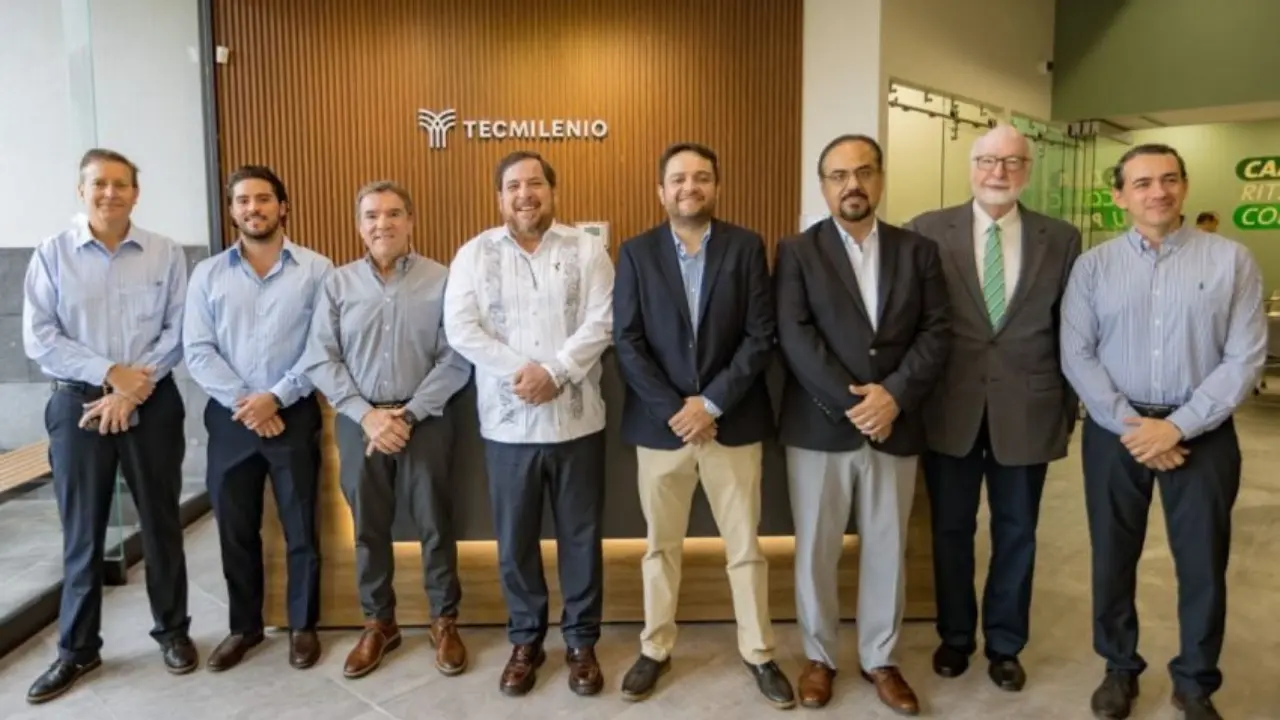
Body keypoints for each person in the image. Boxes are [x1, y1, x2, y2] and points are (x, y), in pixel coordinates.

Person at [1061, 144, 1266, 720]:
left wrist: (1176, 427)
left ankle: (1195, 682)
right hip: (1116, 433)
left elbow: (1245, 358)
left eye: (1170, 179)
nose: (1159, 192)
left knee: (1203, 563)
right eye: (1143, 182)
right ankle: (1119, 668)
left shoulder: (1231, 261)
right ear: (1120, 196)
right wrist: (1137, 429)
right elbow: (1077, 354)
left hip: (1203, 432)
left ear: (1185, 186)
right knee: (1112, 555)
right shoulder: (1093, 267)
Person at [612, 143, 792, 708]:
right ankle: (655, 648)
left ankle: (759, 652)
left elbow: (760, 335)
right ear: (661, 191)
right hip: (660, 427)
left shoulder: (745, 246)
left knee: (745, 547)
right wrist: (677, 409)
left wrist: (709, 404)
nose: (689, 187)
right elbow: (627, 341)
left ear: (716, 186)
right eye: (678, 179)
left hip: (731, 422)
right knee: (659, 548)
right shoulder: (636, 253)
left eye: (701, 177)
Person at [774, 134, 949, 715]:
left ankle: (880, 658)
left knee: (887, 548)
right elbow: (796, 336)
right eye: (839, 175)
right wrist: (855, 404)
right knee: (816, 550)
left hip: (895, 424)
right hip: (821, 425)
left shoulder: (918, 251)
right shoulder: (797, 252)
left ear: (880, 179)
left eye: (864, 172)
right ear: (823, 185)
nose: (853, 184)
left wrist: (893, 396)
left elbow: (936, 331)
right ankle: (819, 657)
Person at [905, 124, 1081, 691]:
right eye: (987, 160)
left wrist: (1067, 409)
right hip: (949, 409)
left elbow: (1071, 330)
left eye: (1011, 162)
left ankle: (1006, 644)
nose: (998, 172)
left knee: (1017, 533)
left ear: (1028, 169)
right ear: (971, 167)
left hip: (1028, 410)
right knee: (951, 531)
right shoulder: (927, 230)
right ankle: (956, 636)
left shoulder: (1061, 238)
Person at [22, 148, 197, 703]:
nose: (110, 193)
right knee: (82, 532)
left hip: (152, 402)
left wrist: (131, 388)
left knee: (162, 525)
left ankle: (173, 632)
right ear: (82, 191)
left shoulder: (165, 253)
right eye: (99, 183)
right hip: (77, 406)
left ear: (135, 194)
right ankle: (77, 649)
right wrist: (109, 374)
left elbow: (179, 329)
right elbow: (40, 337)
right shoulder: (52, 254)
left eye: (121, 184)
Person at [443, 151, 613, 698]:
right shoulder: (473, 254)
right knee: (515, 541)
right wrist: (526, 372)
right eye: (513, 186)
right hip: (508, 428)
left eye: (534, 183)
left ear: (552, 191)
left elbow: (603, 321)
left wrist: (555, 373)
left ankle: (582, 642)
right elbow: (461, 329)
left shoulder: (588, 249)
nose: (525, 194)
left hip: (577, 423)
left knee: (581, 539)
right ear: (499, 197)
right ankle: (526, 641)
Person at [302, 180, 473, 680]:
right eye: (372, 216)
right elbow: (320, 357)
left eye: (394, 213)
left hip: (427, 420)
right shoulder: (337, 284)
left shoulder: (442, 279)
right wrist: (368, 415)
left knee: (435, 524)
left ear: (410, 221)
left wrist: (409, 414)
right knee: (368, 528)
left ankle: (444, 620)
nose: (383, 224)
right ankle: (380, 622)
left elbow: (456, 358)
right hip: (361, 424)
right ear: (359, 226)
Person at [183, 165, 332, 671]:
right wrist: (249, 403)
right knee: (235, 528)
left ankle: (303, 625)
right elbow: (198, 350)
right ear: (232, 210)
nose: (254, 208)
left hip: (295, 414)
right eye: (243, 200)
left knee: (301, 527)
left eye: (264, 198)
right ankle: (244, 627)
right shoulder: (207, 274)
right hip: (231, 419)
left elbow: (322, 346)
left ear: (283, 206)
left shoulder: (317, 270)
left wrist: (278, 397)